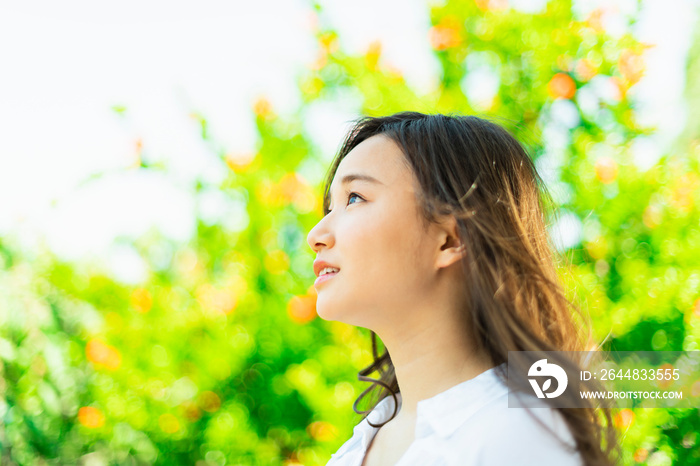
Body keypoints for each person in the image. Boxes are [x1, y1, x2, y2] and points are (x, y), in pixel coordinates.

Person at [306, 112, 617, 466]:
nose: (315, 235)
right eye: (330, 206)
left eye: (355, 198)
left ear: (450, 239)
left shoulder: (518, 436)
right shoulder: (361, 445)